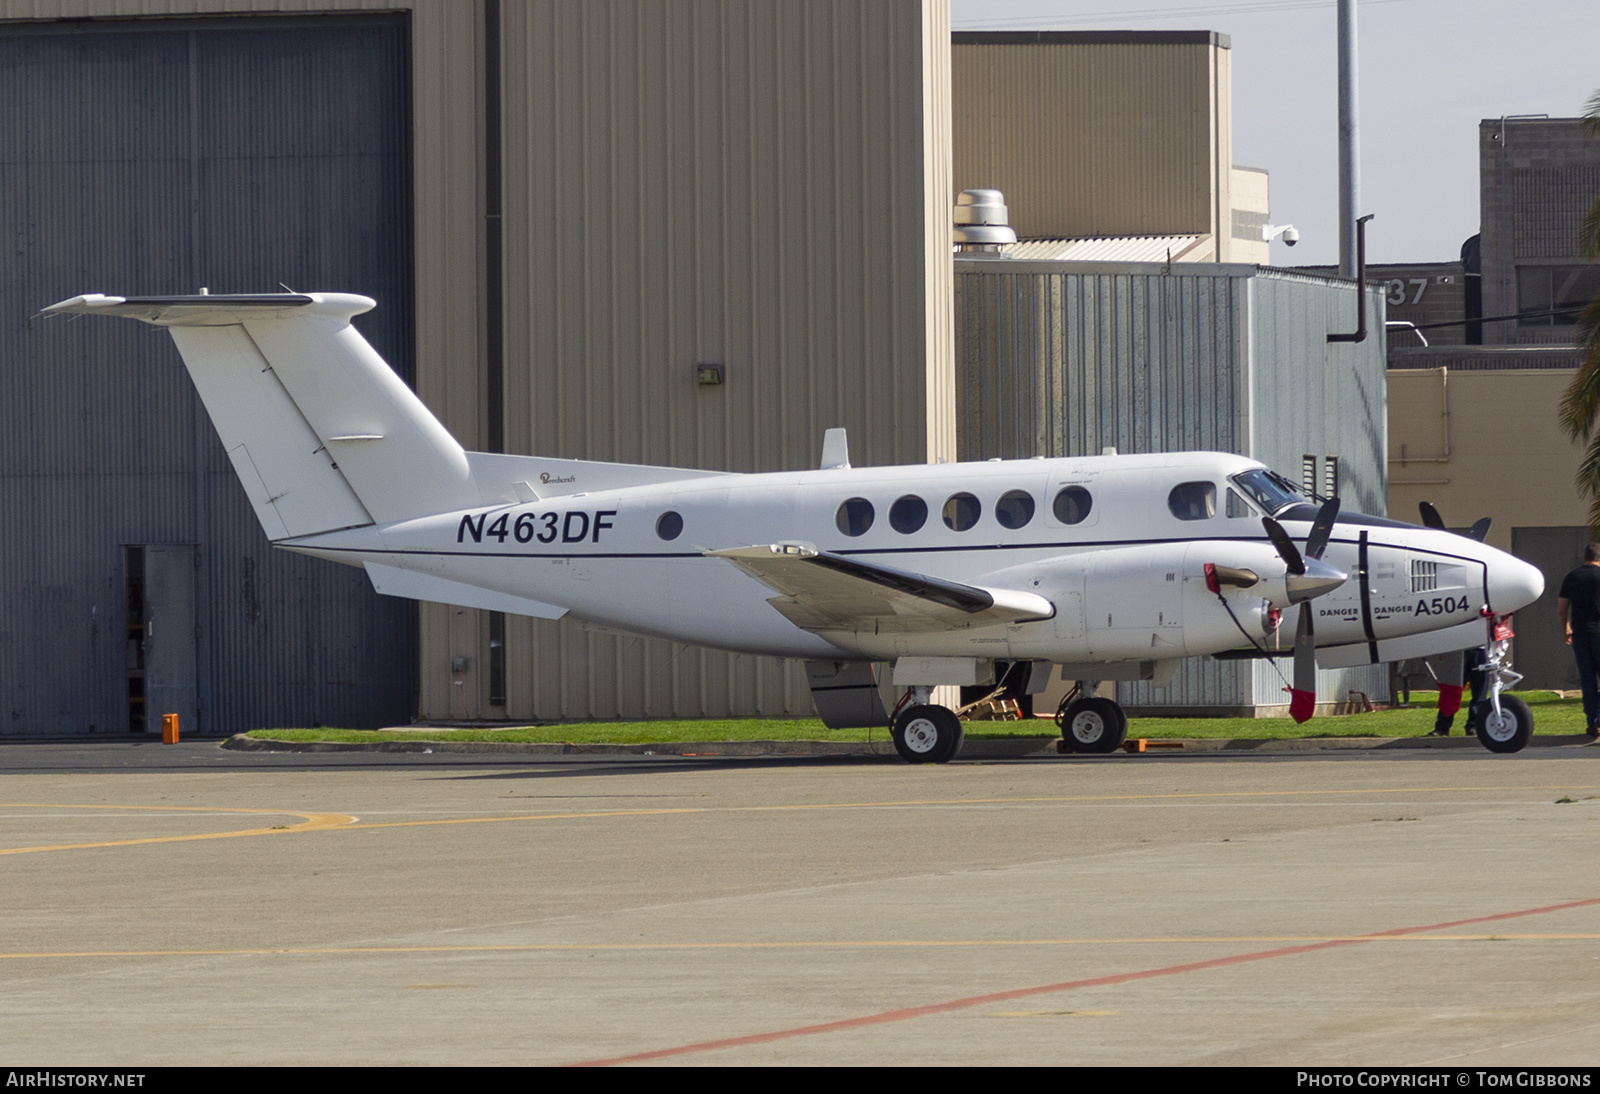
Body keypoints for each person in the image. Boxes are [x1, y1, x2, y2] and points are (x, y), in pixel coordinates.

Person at [1557, 543, 1600, 738]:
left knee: (1588, 679)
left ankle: (1592, 722)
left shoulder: (1571, 577)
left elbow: (1562, 609)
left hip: (1581, 635)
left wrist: (1566, 628)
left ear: (1584, 557)